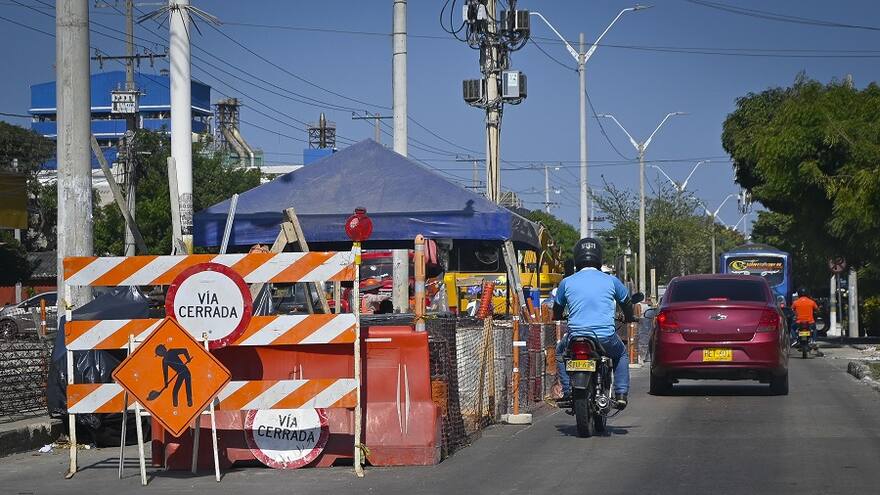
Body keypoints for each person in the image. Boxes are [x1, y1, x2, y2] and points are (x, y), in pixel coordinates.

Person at [553, 238, 637, 410]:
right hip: (604, 337)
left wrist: (557, 316)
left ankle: (568, 391)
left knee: (561, 352)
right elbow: (627, 302)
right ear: (599, 257)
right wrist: (629, 317)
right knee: (621, 354)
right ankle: (621, 394)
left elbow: (557, 308)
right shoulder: (611, 280)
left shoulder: (566, 282)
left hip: (576, 337)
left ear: (577, 258)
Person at [791, 288, 820, 352]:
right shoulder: (812, 302)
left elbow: (791, 310)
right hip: (810, 322)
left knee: (792, 328)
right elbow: (817, 310)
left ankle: (795, 339)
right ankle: (813, 341)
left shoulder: (795, 302)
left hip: (799, 322)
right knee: (814, 329)